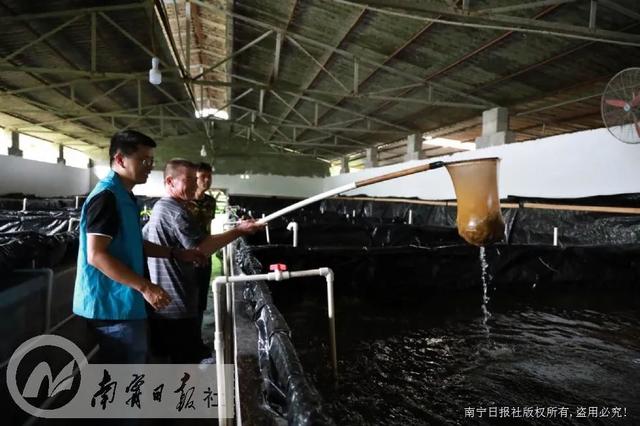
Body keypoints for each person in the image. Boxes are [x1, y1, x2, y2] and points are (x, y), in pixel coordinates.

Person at [73, 130, 204, 364]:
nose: (149, 166)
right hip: (111, 306)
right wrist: (146, 287)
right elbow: (96, 255)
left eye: (151, 161)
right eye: (143, 160)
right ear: (120, 159)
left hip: (124, 303)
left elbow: (133, 242)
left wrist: (174, 253)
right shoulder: (107, 197)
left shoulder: (125, 196)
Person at [143, 158, 263, 363]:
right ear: (170, 182)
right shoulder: (176, 212)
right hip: (176, 303)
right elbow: (202, 247)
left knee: (170, 359)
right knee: (181, 363)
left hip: (167, 301)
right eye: (188, 179)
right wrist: (239, 230)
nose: (194, 184)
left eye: (194, 179)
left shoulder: (162, 207)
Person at [188, 162, 217, 340]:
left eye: (209, 177)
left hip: (205, 256)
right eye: (202, 177)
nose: (206, 180)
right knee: (186, 298)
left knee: (201, 300)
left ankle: (196, 337)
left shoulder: (210, 202)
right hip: (186, 257)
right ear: (195, 179)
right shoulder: (184, 201)